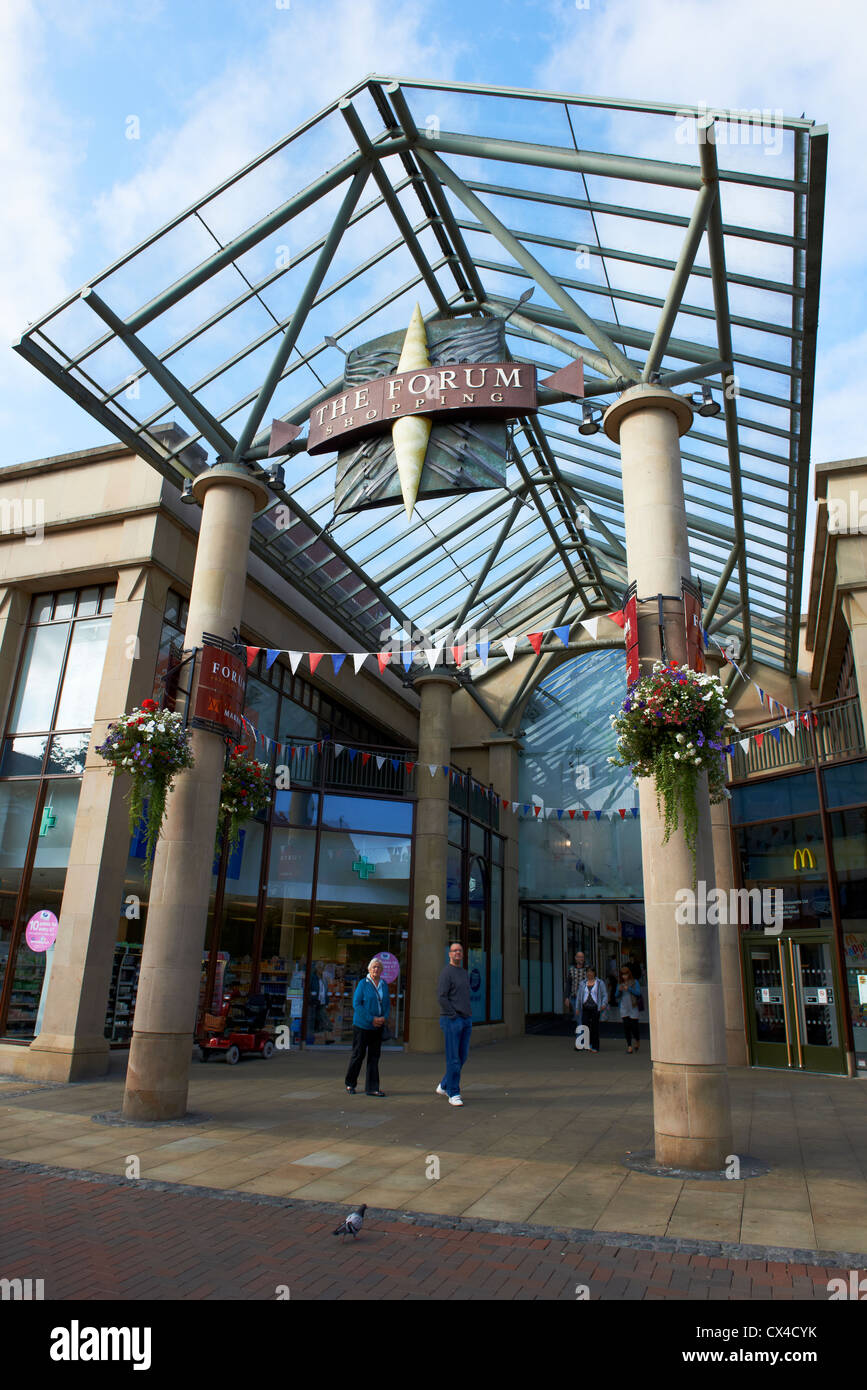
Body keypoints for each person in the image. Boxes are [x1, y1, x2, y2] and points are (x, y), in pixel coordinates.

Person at [345, 956, 389, 1096]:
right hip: (362, 1026)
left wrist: (384, 1018)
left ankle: (372, 1087)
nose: (376, 969)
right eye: (374, 967)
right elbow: (356, 1004)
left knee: (374, 1057)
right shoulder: (363, 984)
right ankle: (350, 1084)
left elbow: (387, 1004)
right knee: (358, 1055)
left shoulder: (384, 985)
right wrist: (371, 1018)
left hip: (377, 1027)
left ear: (382, 970)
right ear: (369, 969)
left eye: (378, 967)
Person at [436, 941, 472, 1106]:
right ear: (449, 954)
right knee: (453, 1058)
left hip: (465, 1019)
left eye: (460, 950)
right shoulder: (446, 972)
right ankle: (453, 1092)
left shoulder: (464, 972)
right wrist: (452, 1014)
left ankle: (444, 1085)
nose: (457, 953)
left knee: (462, 1056)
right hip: (452, 1020)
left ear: (463, 954)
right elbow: (442, 997)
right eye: (454, 950)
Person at [576, 967, 608, 1052]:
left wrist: (604, 1004)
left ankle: (595, 1046)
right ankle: (587, 1044)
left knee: (594, 1027)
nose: (589, 973)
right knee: (585, 1026)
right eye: (588, 972)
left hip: (595, 1008)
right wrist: (577, 1008)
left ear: (594, 973)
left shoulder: (600, 983)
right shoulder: (582, 983)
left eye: (591, 972)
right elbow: (579, 996)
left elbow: (604, 994)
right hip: (585, 1008)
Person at [615, 966, 642, 1053]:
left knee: (634, 1027)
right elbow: (615, 995)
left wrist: (629, 989)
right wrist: (619, 990)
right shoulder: (619, 983)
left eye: (626, 974)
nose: (624, 977)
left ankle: (637, 1040)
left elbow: (638, 993)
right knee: (626, 1026)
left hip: (633, 1006)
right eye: (622, 975)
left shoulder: (635, 982)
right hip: (624, 1007)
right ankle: (629, 1046)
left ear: (629, 974)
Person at [566, 950, 587, 1025]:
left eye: (582, 957)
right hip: (574, 997)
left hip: (585, 998)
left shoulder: (587, 969)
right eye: (579, 957)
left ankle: (583, 1034)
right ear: (575, 958)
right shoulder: (571, 970)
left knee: (583, 1017)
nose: (581, 958)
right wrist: (567, 997)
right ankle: (581, 1035)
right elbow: (569, 984)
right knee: (578, 1016)